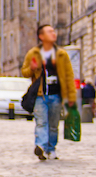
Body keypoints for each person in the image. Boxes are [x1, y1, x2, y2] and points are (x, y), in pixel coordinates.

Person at [22, 24, 76, 161]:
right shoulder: (33, 53)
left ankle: (51, 149)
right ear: (41, 36)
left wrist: (71, 97)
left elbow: (69, 76)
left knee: (53, 125)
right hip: (40, 95)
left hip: (56, 95)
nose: (53, 33)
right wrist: (32, 68)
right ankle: (40, 146)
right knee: (41, 122)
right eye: (49, 31)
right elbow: (24, 72)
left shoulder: (62, 54)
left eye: (53, 31)